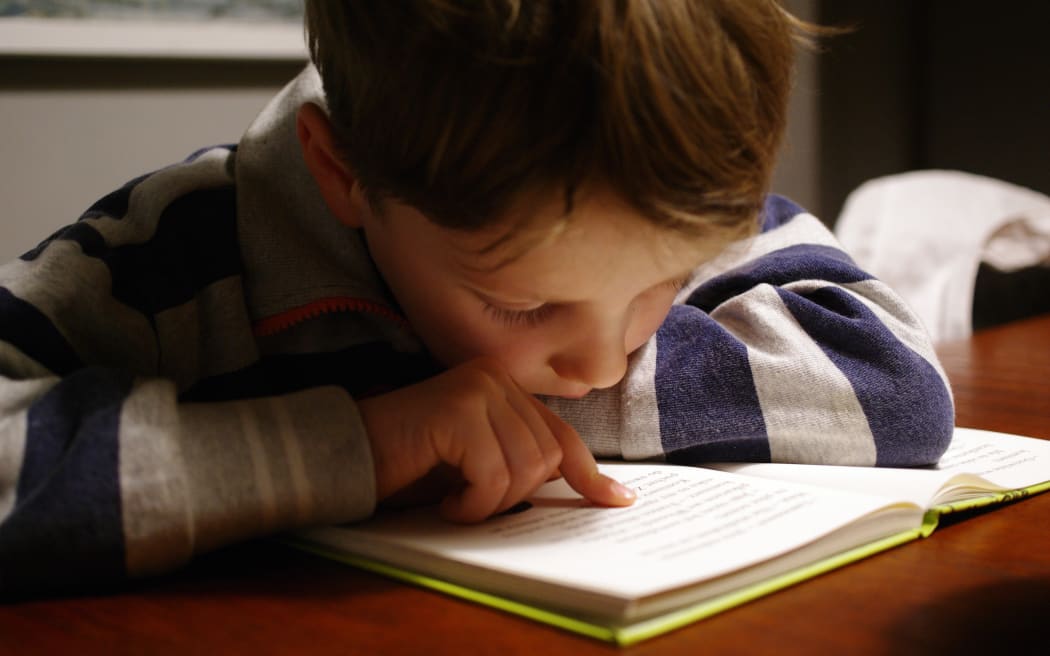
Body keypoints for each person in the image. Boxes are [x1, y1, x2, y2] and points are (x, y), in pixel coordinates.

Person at [0, 0, 953, 597]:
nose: (603, 361)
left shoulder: (653, 185)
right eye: (525, 305)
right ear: (344, 176)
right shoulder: (162, 258)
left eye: (663, 283)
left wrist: (527, 399)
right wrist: (359, 442)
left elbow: (896, 384)